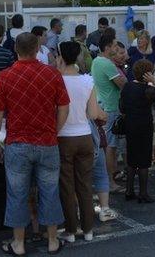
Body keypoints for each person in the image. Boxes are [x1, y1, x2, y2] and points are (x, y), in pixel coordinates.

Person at [0, 33, 70, 255]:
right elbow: (64, 107)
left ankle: (19, 243)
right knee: (50, 191)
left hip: (17, 143)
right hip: (47, 142)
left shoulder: (4, 77)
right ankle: (53, 240)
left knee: (17, 194)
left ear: (16, 49)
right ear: (37, 49)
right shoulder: (51, 74)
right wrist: (55, 130)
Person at [55, 41, 107, 243]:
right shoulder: (87, 80)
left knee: (67, 186)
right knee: (85, 185)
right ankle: (88, 230)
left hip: (64, 137)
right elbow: (94, 113)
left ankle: (71, 230)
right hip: (85, 136)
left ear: (60, 56)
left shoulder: (57, 80)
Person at [120, 59, 155, 203]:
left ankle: (129, 190)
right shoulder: (148, 90)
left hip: (129, 124)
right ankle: (143, 193)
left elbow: (121, 107)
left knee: (131, 158)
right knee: (144, 161)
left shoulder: (127, 87)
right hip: (144, 125)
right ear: (148, 74)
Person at [91, 33, 128, 194]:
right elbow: (123, 84)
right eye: (114, 46)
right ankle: (110, 182)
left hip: (106, 106)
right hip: (111, 108)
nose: (117, 48)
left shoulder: (97, 61)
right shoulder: (106, 64)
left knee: (110, 146)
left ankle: (112, 177)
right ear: (107, 48)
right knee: (110, 148)